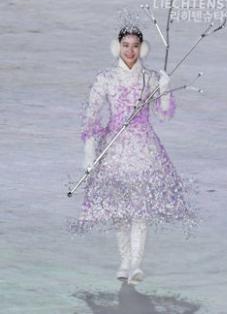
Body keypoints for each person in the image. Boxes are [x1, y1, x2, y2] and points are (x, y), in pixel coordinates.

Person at [72, 22, 194, 284]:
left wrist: (163, 89)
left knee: (140, 208)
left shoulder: (148, 78)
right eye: (126, 46)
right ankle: (125, 260)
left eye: (135, 46)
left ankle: (136, 265)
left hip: (143, 148)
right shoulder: (106, 78)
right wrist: (89, 149)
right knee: (120, 209)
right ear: (118, 48)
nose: (130, 51)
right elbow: (91, 114)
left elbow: (164, 114)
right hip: (114, 148)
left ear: (142, 49)